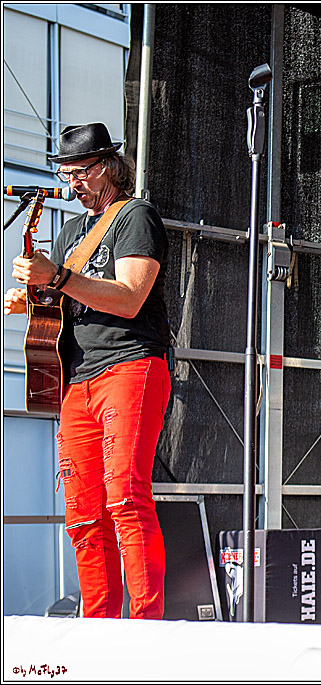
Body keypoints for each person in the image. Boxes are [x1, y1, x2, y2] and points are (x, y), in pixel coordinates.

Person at [5, 123, 171, 619]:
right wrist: (30, 299)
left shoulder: (135, 216)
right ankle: (97, 626)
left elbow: (129, 297)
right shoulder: (72, 232)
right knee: (81, 511)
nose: (73, 182)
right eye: (67, 173)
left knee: (125, 496)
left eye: (82, 172)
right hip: (77, 376)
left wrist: (54, 277)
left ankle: (146, 627)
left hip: (129, 363)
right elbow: (58, 299)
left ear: (110, 168)